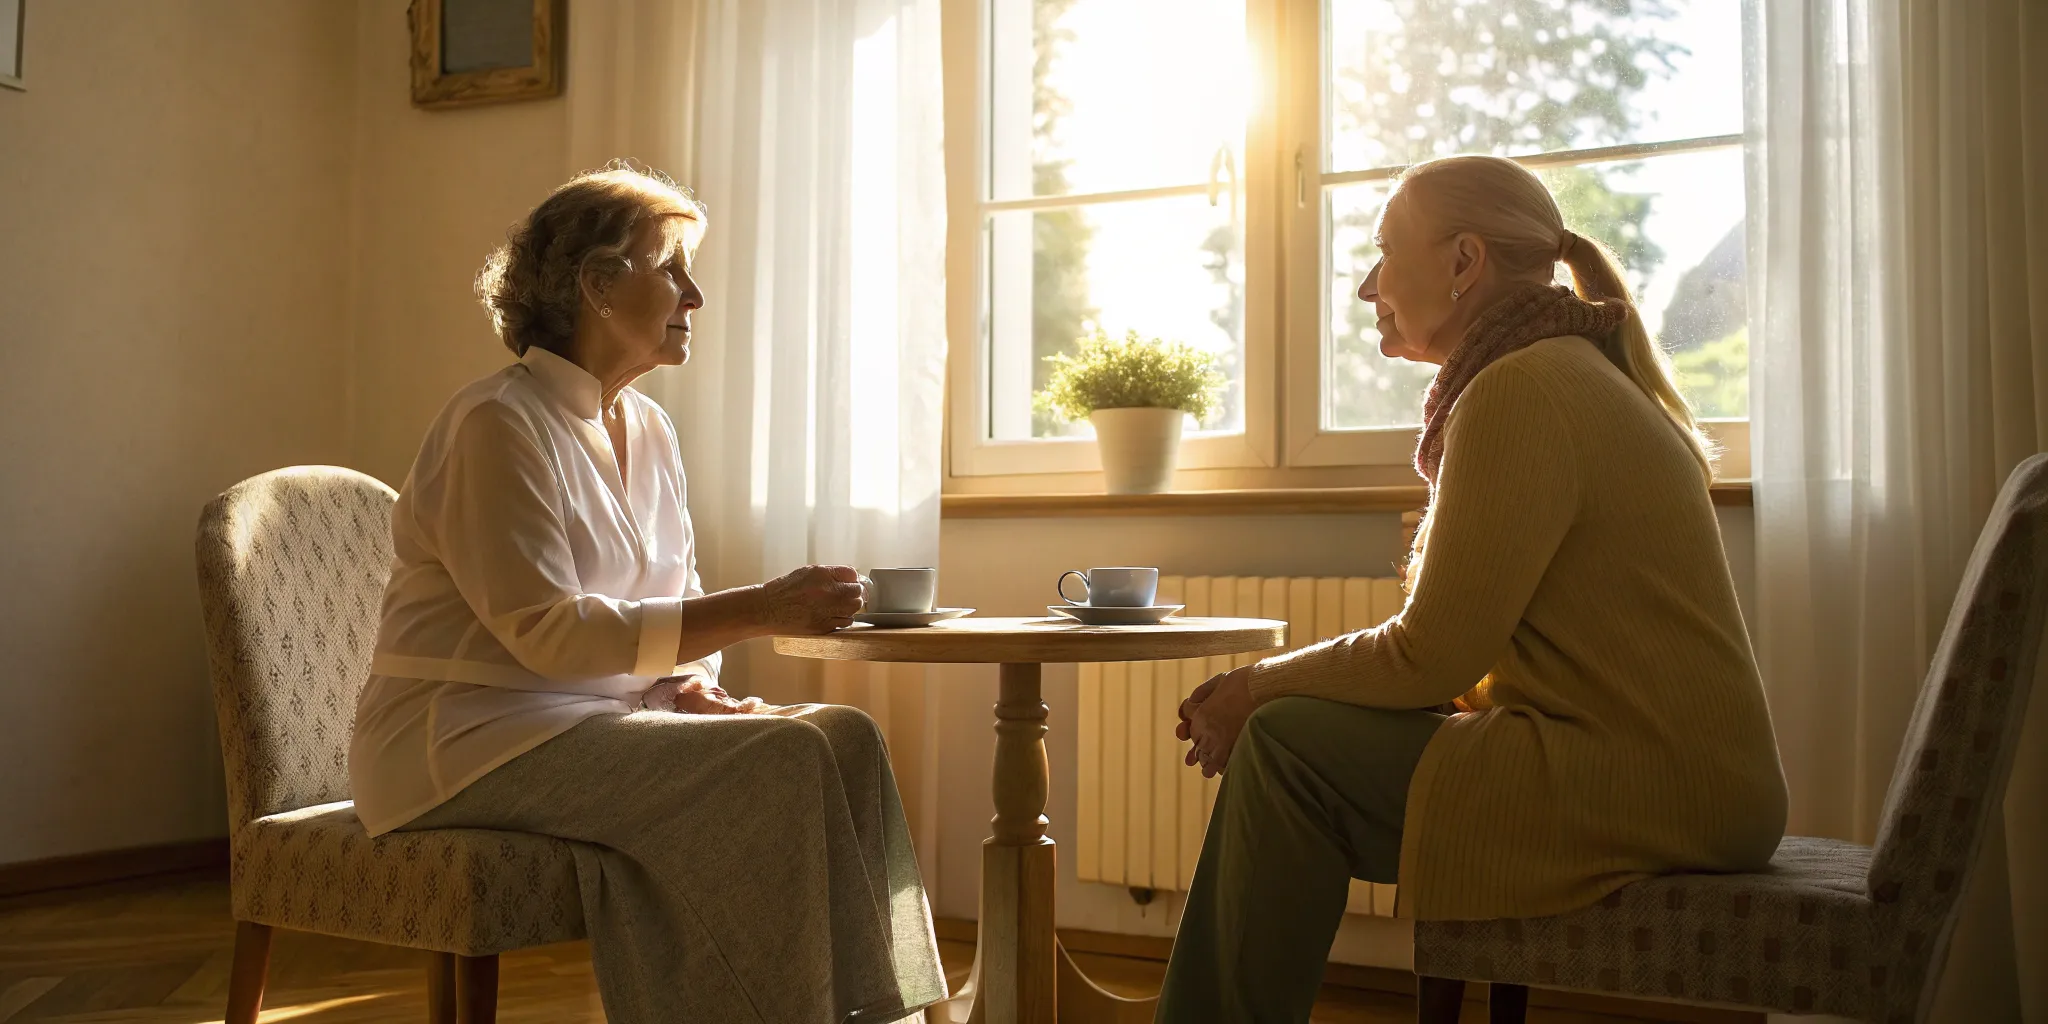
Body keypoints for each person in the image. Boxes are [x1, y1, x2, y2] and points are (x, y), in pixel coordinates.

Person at [1160, 154, 1788, 1022]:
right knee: (1295, 735)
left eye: (1385, 251)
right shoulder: (1574, 371)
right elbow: (1458, 659)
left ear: (1464, 262)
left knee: (1285, 745)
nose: (1367, 285)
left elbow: (1428, 656)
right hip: (1689, 781)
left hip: (1646, 783)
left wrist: (1253, 687)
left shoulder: (1521, 392)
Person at [347, 163, 946, 1023]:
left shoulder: (652, 430)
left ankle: (878, 1017)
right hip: (466, 741)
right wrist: (765, 606)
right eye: (671, 267)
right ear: (596, 284)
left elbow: (673, 604)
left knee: (843, 734)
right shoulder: (495, 425)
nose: (693, 295)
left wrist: (685, 691)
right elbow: (551, 635)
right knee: (779, 760)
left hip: (593, 725)